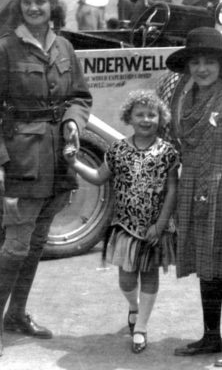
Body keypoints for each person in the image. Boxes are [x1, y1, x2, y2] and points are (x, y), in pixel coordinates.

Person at [0, 0, 92, 358]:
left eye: (40, 1)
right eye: (27, 2)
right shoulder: (3, 49)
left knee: (38, 242)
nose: (34, 8)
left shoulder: (64, 47)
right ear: (19, 7)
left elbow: (80, 96)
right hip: (22, 159)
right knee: (16, 244)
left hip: (58, 158)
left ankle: (18, 314)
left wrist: (74, 120)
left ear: (51, 5)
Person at [166, 27, 222, 367]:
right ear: (189, 65)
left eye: (209, 61)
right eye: (196, 62)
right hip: (192, 188)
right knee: (206, 268)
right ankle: (210, 336)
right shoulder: (187, 99)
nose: (202, 68)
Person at [64, 90, 179, 354]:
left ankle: (141, 327)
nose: (146, 119)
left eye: (152, 114)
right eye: (140, 114)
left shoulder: (168, 152)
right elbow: (97, 176)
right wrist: (75, 163)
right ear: (129, 117)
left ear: (161, 118)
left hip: (154, 227)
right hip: (125, 226)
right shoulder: (118, 149)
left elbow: (173, 190)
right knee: (127, 280)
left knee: (149, 276)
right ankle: (134, 306)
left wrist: (160, 225)